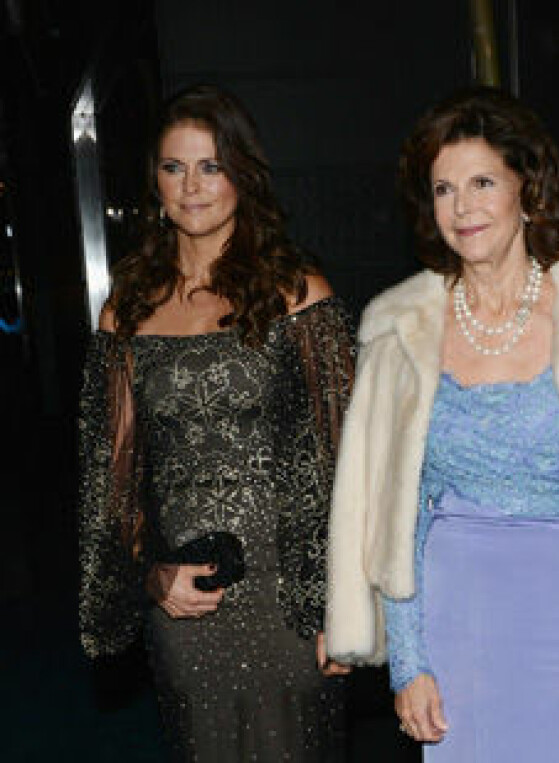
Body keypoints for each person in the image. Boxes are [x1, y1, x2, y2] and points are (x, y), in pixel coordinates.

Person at [325, 87, 559, 762]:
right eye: (444, 189)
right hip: (458, 618)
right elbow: (392, 511)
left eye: (483, 182)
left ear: (528, 187)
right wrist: (408, 658)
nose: (462, 207)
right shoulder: (398, 329)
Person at [78, 84, 355, 761]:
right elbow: (112, 482)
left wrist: (350, 605)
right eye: (174, 167)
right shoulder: (126, 310)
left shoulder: (298, 294)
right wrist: (151, 579)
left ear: (242, 176)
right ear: (155, 182)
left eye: (211, 166)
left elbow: (347, 461)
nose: (192, 186)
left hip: (294, 599)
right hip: (186, 599)